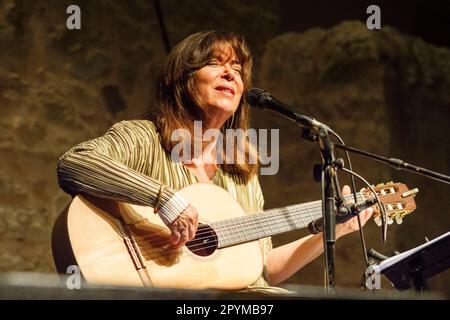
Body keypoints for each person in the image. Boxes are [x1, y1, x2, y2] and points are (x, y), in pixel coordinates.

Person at [57, 30, 373, 292]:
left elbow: (261, 271)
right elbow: (75, 162)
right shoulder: (144, 137)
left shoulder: (242, 173)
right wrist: (163, 199)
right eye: (214, 63)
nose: (230, 74)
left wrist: (333, 230)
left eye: (237, 69)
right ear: (182, 80)